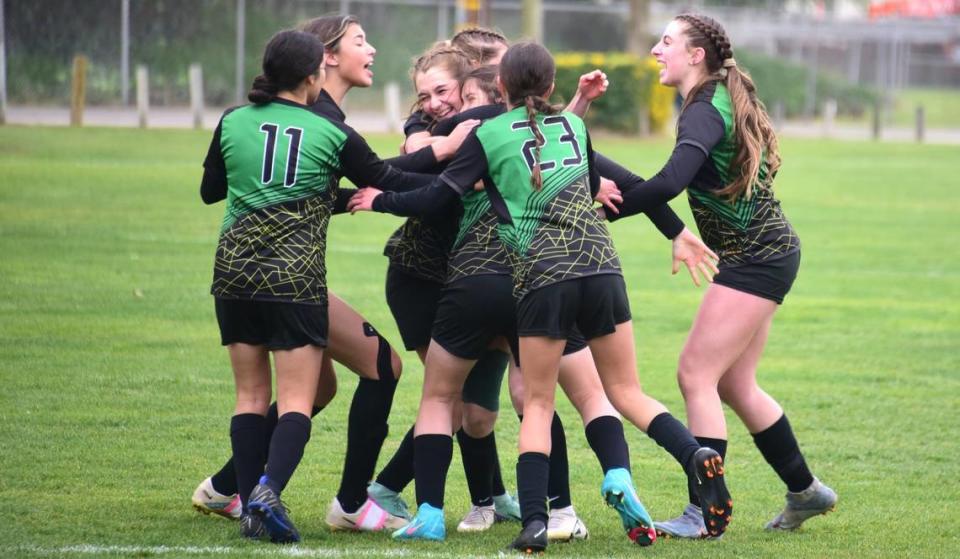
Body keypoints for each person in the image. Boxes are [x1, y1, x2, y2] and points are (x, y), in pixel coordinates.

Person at [349, 41, 732, 553]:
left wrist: (382, 199)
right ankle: (682, 456)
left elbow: (437, 191)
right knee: (616, 392)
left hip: (533, 277)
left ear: (497, 88)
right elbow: (609, 183)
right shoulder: (575, 126)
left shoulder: (483, 133)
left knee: (519, 401)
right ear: (550, 87)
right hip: (601, 270)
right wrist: (674, 228)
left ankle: (516, 520)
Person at [604, 13, 837, 537]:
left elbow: (669, 181)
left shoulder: (705, 108)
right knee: (734, 381)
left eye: (666, 42)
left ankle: (703, 513)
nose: (655, 51)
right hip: (764, 254)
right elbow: (667, 183)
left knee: (695, 374)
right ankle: (806, 491)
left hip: (757, 259)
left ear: (696, 55)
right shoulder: (712, 98)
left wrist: (601, 212)